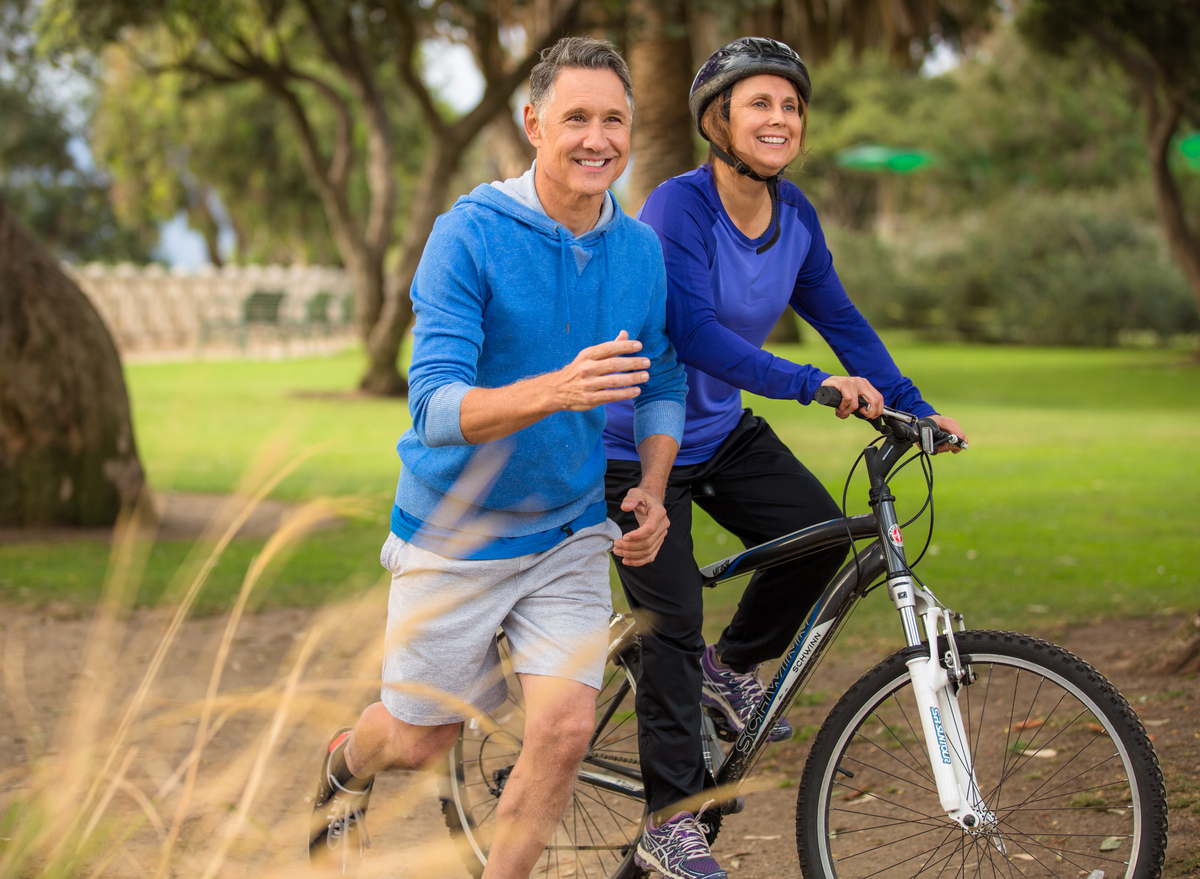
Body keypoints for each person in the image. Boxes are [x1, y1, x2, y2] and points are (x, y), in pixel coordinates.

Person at [308, 36, 688, 879]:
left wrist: (654, 486)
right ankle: (346, 758)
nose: (598, 140)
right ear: (533, 124)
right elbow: (434, 407)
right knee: (419, 738)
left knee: (563, 730)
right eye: (576, 118)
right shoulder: (467, 236)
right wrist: (557, 389)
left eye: (614, 120)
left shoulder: (639, 251)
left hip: (567, 532)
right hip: (456, 532)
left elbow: (664, 376)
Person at [602, 37, 968, 879]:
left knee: (819, 533)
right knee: (671, 621)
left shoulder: (795, 216)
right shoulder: (675, 209)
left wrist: (913, 406)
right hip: (630, 446)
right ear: (716, 120)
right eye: (759, 103)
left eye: (791, 105)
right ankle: (669, 819)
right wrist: (812, 387)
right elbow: (692, 335)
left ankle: (727, 670)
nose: (779, 118)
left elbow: (840, 318)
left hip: (720, 431)